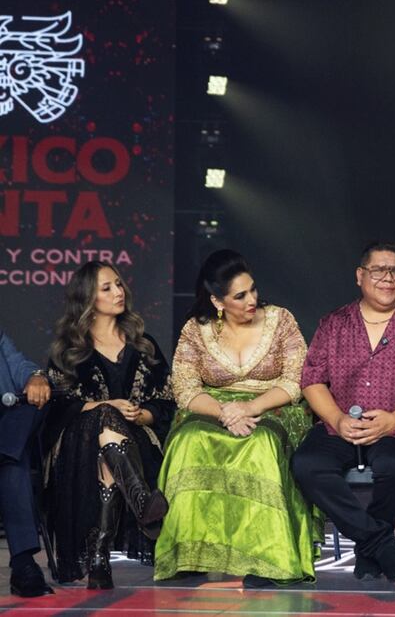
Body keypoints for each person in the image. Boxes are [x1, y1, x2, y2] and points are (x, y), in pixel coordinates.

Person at [154, 249, 319, 586]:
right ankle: (190, 555)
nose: (252, 300)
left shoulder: (280, 319)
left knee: (259, 443)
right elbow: (185, 388)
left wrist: (250, 407)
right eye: (240, 295)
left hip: (274, 406)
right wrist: (226, 413)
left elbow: (295, 381)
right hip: (213, 408)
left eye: (253, 290)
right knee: (188, 441)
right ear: (217, 301)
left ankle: (267, 558)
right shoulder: (195, 330)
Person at [291, 242, 395, 583]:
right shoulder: (334, 323)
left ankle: (369, 550)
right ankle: (378, 543)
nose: (388, 278)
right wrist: (336, 419)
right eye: (379, 270)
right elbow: (312, 380)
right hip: (341, 426)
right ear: (360, 276)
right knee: (306, 464)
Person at [45, 261, 174, 590]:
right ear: (87, 298)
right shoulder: (68, 352)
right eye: (107, 288)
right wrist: (103, 406)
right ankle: (143, 503)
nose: (119, 292)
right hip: (80, 445)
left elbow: (167, 401)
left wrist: (142, 415)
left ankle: (100, 558)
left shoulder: (143, 345)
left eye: (119, 284)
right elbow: (58, 407)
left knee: (109, 447)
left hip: (137, 441)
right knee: (104, 419)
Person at [0, 329, 53, 597]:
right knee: (13, 461)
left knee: (33, 404)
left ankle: (5, 451)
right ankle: (23, 563)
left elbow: (20, 364)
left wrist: (36, 376)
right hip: (10, 440)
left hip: (7, 419)